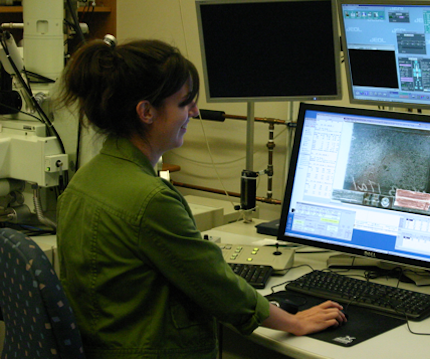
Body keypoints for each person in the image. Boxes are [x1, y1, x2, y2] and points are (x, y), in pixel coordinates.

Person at [56, 38, 346, 359]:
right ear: (146, 112)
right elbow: (217, 286)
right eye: (184, 103)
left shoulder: (84, 181)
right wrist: (292, 322)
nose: (194, 111)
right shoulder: (150, 199)